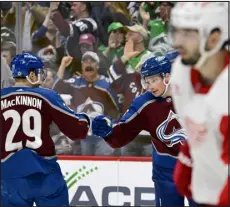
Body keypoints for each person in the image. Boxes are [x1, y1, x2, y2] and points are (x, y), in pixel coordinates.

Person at [92, 55, 196, 206]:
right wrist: (107, 131)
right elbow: (123, 131)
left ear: (167, 76)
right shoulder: (144, 103)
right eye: (147, 82)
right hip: (165, 172)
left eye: (154, 80)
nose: (150, 86)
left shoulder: (194, 93)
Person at [1, 53, 91, 206]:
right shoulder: (47, 95)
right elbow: (77, 131)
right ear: (30, 74)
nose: (40, 77)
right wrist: (85, 119)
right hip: (44, 172)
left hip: (9, 175)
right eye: (38, 73)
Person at [169, 2, 229, 206]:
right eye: (177, 32)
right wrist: (188, 157)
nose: (178, 41)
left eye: (188, 34)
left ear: (214, 38)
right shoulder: (180, 71)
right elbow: (199, 122)